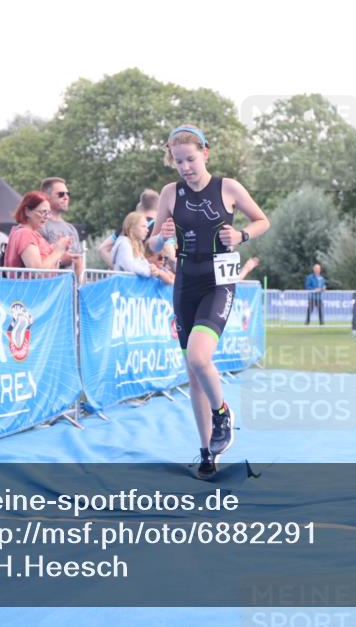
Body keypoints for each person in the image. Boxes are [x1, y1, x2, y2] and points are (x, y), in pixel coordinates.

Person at [149, 124, 270, 479]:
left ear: (206, 153)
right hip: (186, 281)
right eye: (178, 161)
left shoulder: (228, 187)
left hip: (220, 280)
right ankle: (207, 451)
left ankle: (222, 414)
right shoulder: (170, 193)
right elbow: (153, 245)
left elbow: (264, 220)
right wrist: (162, 237)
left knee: (201, 357)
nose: (185, 167)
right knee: (193, 370)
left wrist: (243, 234)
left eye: (190, 159)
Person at [2, 191, 71, 273]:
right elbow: (37, 270)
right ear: (27, 211)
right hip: (28, 285)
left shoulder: (29, 233)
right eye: (42, 212)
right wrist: (58, 251)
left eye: (48, 213)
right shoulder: (25, 234)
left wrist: (55, 248)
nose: (46, 217)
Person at [99, 189, 161, 268]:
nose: (146, 230)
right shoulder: (161, 228)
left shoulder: (128, 225)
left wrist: (118, 268)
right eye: (143, 227)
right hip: (151, 276)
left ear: (142, 205)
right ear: (159, 206)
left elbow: (103, 248)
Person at [39, 177, 84, 284]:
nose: (66, 197)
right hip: (50, 288)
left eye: (68, 194)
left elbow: (79, 265)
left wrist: (82, 288)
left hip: (70, 290)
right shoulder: (40, 225)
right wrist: (60, 260)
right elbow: (38, 264)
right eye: (61, 194)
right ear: (47, 197)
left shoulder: (71, 229)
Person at [113, 211, 160, 278]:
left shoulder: (137, 245)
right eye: (143, 226)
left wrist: (152, 267)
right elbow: (130, 267)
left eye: (147, 227)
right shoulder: (124, 244)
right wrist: (149, 271)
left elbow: (143, 264)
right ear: (132, 228)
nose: (147, 230)